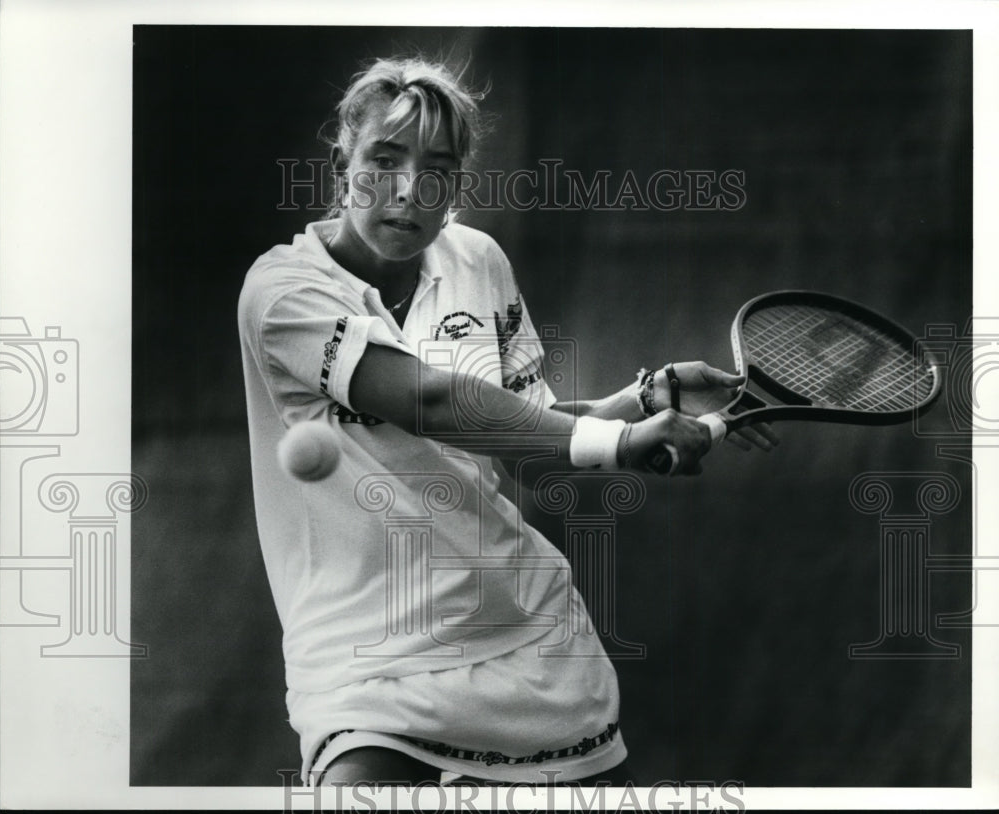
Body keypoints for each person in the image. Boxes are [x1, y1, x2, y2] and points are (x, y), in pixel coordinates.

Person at [237, 55, 775, 787]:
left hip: (528, 643)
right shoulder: (283, 293)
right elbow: (430, 400)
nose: (407, 190)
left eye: (437, 169)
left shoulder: (477, 261)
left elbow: (530, 436)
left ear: (458, 182)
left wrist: (645, 400)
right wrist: (621, 444)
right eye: (383, 160)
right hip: (364, 666)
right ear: (342, 161)